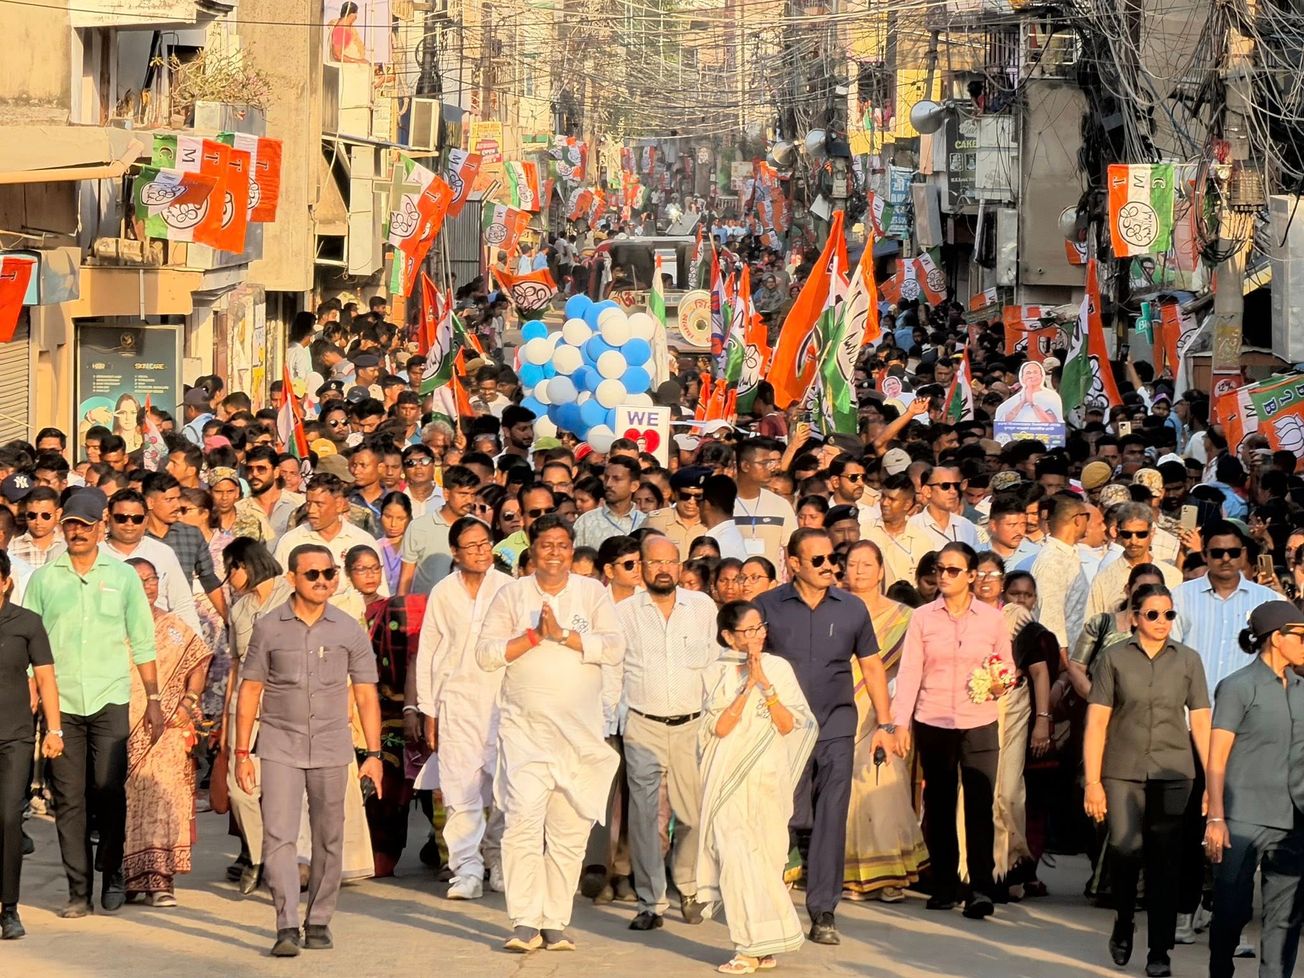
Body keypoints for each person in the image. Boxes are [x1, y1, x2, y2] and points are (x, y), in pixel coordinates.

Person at [475, 514, 624, 952]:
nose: (554, 553)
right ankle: (524, 921)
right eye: (546, 545)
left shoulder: (592, 593)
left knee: (569, 832)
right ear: (532, 551)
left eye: (562, 545)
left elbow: (615, 646)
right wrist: (534, 637)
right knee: (522, 824)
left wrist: (566, 637)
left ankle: (555, 920)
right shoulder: (512, 594)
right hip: (525, 733)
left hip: (579, 736)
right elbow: (485, 655)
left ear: (571, 550)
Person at [234, 543, 385, 957]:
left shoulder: (348, 628)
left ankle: (318, 919)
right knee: (279, 837)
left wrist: (373, 754)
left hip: (333, 746)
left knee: (329, 837)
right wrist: (240, 753)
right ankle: (285, 924)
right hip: (280, 744)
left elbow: (366, 695)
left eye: (329, 573)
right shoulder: (268, 627)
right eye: (313, 574)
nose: (323, 581)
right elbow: (250, 691)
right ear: (292, 579)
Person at [24, 486, 166, 917]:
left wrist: (155, 698)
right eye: (70, 524)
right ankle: (78, 891)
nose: (77, 532)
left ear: (100, 527)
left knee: (107, 790)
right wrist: (31, 696)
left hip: (110, 699)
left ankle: (114, 872)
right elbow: (33, 644)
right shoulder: (45, 578)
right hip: (60, 704)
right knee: (69, 798)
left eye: (86, 525)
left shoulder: (122, 576)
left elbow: (142, 639)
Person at [754, 528, 888, 945]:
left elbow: (871, 666)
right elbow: (750, 664)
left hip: (836, 727)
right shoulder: (766, 606)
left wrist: (884, 725)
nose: (831, 566)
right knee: (783, 817)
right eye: (819, 561)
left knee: (831, 817)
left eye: (834, 558)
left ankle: (823, 911)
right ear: (793, 563)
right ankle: (767, 904)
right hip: (783, 731)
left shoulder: (852, 609)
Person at [1084, 583, 1212, 978]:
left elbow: (1203, 723)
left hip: (1174, 773)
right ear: (1136, 617)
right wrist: (1092, 781)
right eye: (1153, 614)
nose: (1161, 622)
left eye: (1169, 614)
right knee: (1124, 849)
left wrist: (1212, 784)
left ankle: (1160, 950)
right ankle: (1124, 920)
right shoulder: (1114, 659)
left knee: (1165, 862)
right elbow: (1097, 721)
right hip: (1122, 768)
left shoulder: (1188, 660)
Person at [892, 541, 1014, 919]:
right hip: (933, 719)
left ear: (972, 576)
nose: (943, 576)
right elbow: (910, 670)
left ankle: (980, 887)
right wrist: (900, 722)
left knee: (980, 803)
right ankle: (945, 883)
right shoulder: (923, 618)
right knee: (940, 805)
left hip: (979, 720)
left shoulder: (992, 619)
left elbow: (1006, 667)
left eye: (952, 570)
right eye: (939, 569)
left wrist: (1000, 683)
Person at [697, 600, 817, 975]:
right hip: (727, 781)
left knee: (763, 862)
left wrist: (766, 685)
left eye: (759, 627)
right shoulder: (713, 672)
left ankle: (764, 947)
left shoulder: (779, 668)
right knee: (736, 861)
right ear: (728, 637)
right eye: (748, 631)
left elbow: (791, 725)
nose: (757, 636)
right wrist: (747, 687)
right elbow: (717, 729)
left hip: (767, 780)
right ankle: (748, 947)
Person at [617, 535, 717, 930]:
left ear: (680, 566)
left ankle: (689, 887)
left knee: (692, 814)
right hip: (643, 724)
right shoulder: (624, 613)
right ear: (641, 566)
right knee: (644, 817)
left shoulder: (703, 607)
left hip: (692, 724)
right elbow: (614, 670)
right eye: (654, 562)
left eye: (670, 562)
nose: (663, 569)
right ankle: (651, 902)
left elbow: (712, 663)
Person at [415, 516, 513, 899]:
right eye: (471, 546)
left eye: (485, 543)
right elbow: (429, 652)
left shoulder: (509, 589)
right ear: (455, 552)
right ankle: (467, 869)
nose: (480, 552)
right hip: (455, 701)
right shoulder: (443, 592)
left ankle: (500, 861)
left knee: (505, 786)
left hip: (501, 700)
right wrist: (427, 709)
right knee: (460, 789)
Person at [1204, 600, 1304, 978]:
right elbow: (1217, 758)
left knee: (1285, 917)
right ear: (1277, 639)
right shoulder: (1237, 687)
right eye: (1301, 636)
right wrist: (1216, 817)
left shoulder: (1303, 689)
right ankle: (1219, 966)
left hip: (1294, 819)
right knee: (1232, 910)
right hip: (1242, 817)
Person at [121, 558, 212, 906]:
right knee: (128, 803)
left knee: (166, 800)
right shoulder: (113, 626)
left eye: (151, 579)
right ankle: (129, 878)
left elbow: (198, 661)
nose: (146, 586)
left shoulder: (174, 626)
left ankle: (161, 881)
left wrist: (188, 703)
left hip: (170, 728)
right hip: (123, 728)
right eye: (137, 579)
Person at [839, 540, 926, 902]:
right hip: (842, 704)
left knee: (882, 786)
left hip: (884, 709)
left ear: (880, 571)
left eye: (866, 565)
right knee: (847, 791)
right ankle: (848, 874)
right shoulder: (835, 608)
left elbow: (911, 671)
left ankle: (890, 874)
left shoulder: (904, 617)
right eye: (852, 564)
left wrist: (893, 716)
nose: (858, 571)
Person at [222, 538, 294, 896]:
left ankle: (284, 859)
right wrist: (226, 722)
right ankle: (257, 854)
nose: (227, 578)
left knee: (283, 786)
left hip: (286, 703)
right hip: (246, 706)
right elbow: (235, 667)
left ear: (245, 566)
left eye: (229, 569)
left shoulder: (292, 594)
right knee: (240, 787)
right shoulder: (238, 610)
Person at [0, 550, 62, 939]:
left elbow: (46, 679)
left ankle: (9, 908)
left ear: (6, 581)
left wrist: (54, 730)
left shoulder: (27, 623)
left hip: (15, 738)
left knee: (7, 819)